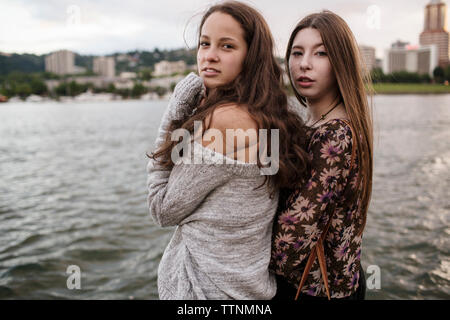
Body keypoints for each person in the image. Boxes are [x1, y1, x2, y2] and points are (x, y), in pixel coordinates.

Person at [146, 1, 309, 300]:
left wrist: (176, 106)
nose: (209, 55)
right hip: (247, 290)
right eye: (204, 43)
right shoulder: (269, 116)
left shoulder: (224, 121)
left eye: (227, 46)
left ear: (251, 57)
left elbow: (162, 208)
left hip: (204, 292)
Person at [269, 10, 373, 300]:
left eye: (321, 53)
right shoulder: (319, 123)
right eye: (297, 52)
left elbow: (289, 243)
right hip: (337, 281)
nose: (304, 64)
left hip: (315, 289)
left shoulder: (335, 135)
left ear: (341, 61)